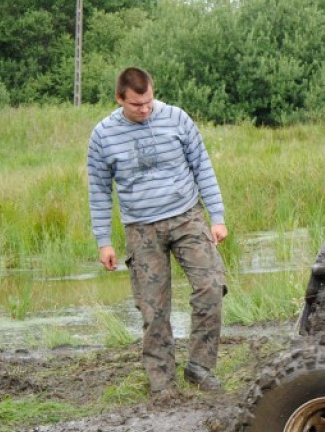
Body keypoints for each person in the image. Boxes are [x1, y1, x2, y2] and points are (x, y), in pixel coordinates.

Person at [87, 67, 228, 399]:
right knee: (153, 310)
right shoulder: (103, 135)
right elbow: (98, 191)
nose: (145, 109)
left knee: (210, 287)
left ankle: (200, 368)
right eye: (137, 104)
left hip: (186, 217)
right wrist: (103, 241)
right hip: (141, 228)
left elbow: (202, 166)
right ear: (120, 99)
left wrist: (217, 215)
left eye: (149, 100)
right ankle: (162, 383)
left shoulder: (177, 119)